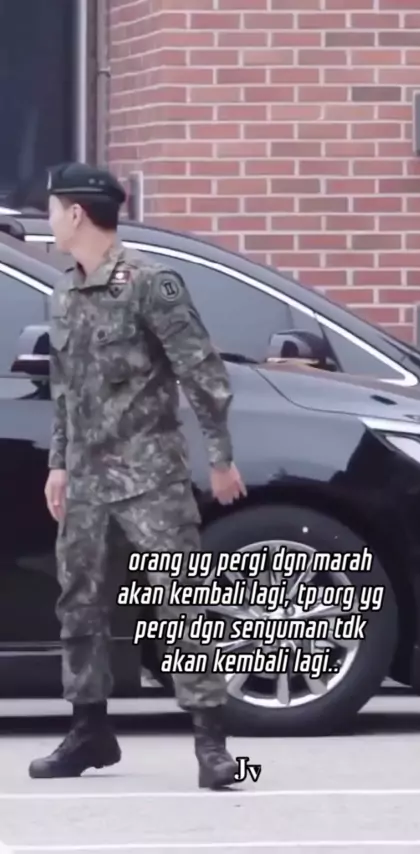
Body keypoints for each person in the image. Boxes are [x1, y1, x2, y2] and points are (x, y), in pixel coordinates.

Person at [29, 162, 247, 786]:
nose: (50, 221)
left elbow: (202, 373)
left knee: (184, 603)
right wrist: (58, 463)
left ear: (76, 214)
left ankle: (211, 744)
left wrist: (221, 457)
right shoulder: (64, 293)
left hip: (150, 477)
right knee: (80, 605)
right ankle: (89, 731)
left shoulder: (151, 285)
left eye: (53, 210)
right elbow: (66, 391)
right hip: (87, 482)